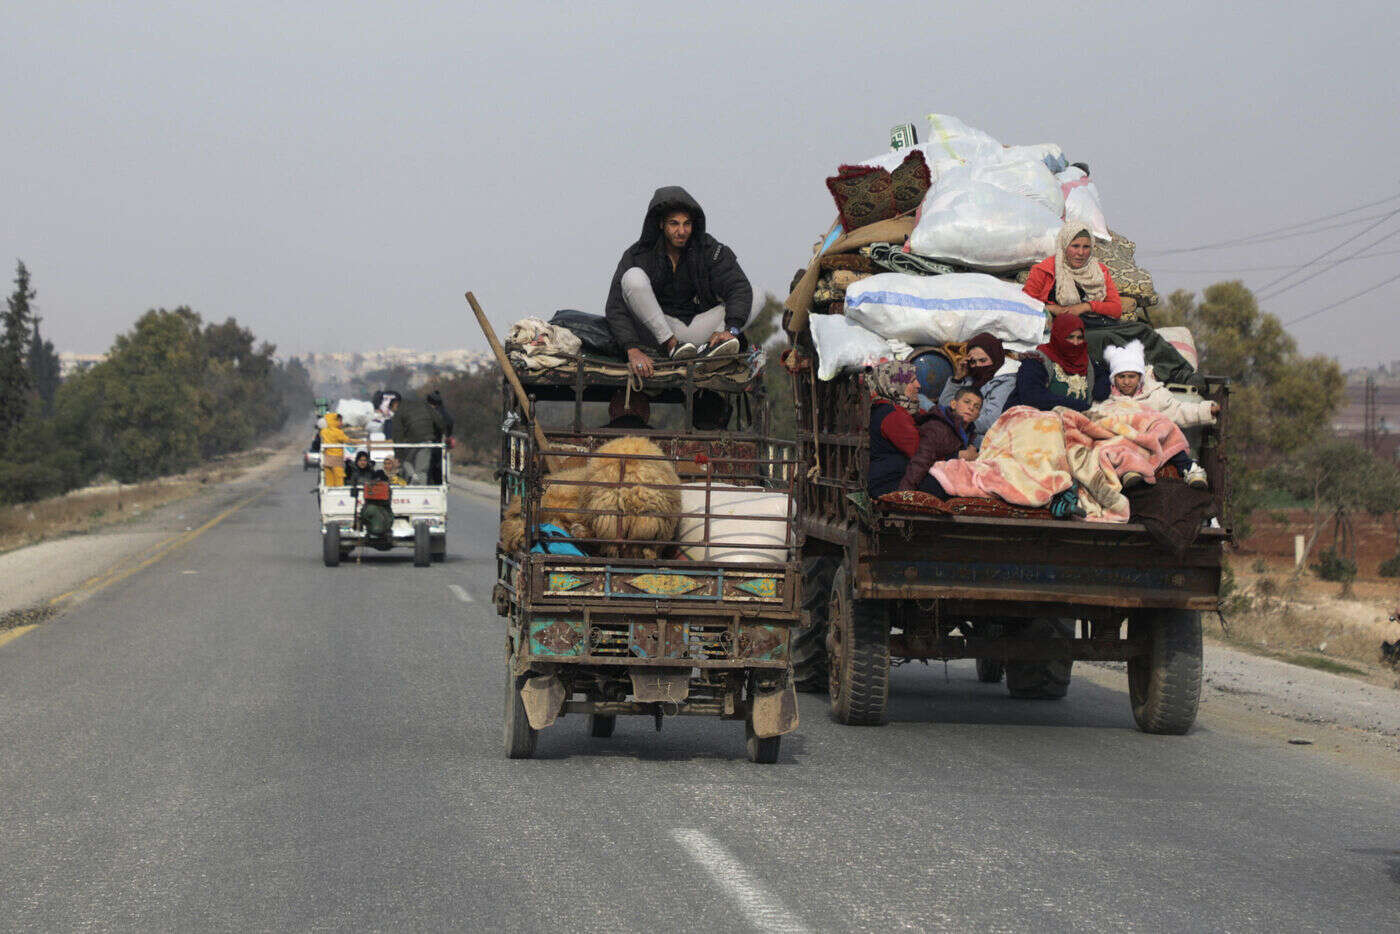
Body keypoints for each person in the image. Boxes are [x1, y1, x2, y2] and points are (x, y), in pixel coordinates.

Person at [605, 186, 753, 379]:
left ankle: (717, 347)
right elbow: (615, 307)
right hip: (657, 334)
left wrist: (731, 329)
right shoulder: (638, 254)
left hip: (697, 331)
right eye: (674, 224)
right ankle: (672, 345)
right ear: (661, 224)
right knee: (633, 277)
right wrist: (631, 349)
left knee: (756, 294)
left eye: (687, 224)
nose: (681, 231)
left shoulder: (708, 249)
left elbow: (738, 287)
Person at [1102, 341, 1211, 489]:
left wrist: (1206, 410)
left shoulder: (1155, 395)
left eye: (1131, 376)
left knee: (1167, 428)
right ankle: (1130, 471)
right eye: (1121, 377)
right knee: (1117, 439)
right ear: (1114, 379)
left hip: (1154, 443)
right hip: (1129, 446)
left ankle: (1190, 469)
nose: (1126, 382)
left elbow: (1178, 410)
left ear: (1140, 377)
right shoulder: (1109, 401)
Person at [1006, 313, 1110, 412]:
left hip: (1077, 418)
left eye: (1079, 338)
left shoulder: (1085, 360)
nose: (1075, 343)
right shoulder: (1036, 360)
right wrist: (1076, 405)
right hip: (1040, 417)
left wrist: (1100, 391)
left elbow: (1102, 374)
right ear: (1058, 337)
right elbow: (1032, 395)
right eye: (1070, 337)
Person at [1023, 223, 1122, 319]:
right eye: (1075, 246)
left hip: (1090, 326)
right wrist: (1052, 308)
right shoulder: (1044, 270)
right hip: (1056, 328)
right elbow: (1025, 305)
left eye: (1086, 247)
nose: (1080, 253)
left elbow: (1116, 309)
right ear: (1064, 246)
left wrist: (1086, 307)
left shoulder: (1099, 271)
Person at [937, 333, 1019, 443]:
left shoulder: (1004, 381)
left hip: (977, 436)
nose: (978, 366)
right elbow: (944, 405)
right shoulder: (971, 377)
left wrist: (958, 424)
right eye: (973, 362)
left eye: (983, 360)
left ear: (994, 357)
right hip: (956, 426)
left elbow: (990, 421)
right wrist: (957, 379)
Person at [899, 387, 982, 494]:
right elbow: (921, 460)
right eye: (967, 402)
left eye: (976, 407)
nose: (971, 408)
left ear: (978, 415)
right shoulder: (938, 427)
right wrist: (904, 493)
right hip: (923, 479)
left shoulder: (970, 433)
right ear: (953, 404)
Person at [865, 361, 922, 498]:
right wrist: (957, 456)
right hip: (891, 483)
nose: (918, 385)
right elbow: (919, 452)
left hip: (887, 480)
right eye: (911, 381)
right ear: (894, 385)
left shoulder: (881, 407)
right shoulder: (894, 415)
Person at [395, 391, 452, 483]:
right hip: (427, 442)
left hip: (412, 442)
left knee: (406, 461)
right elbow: (440, 423)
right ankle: (419, 483)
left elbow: (398, 429)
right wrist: (445, 434)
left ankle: (412, 477)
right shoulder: (428, 408)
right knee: (422, 468)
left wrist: (399, 447)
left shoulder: (404, 410)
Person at [319, 412, 352, 486]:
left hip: (327, 458)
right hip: (337, 458)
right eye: (340, 421)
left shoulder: (324, 431)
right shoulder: (338, 432)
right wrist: (360, 441)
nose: (341, 423)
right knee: (339, 478)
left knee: (329, 478)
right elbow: (347, 440)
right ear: (334, 421)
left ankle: (329, 493)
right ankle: (339, 493)